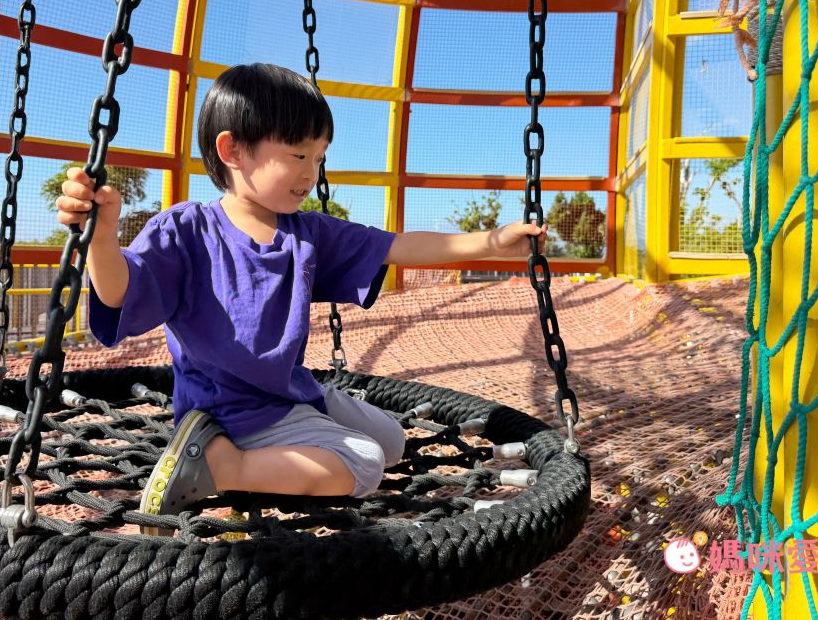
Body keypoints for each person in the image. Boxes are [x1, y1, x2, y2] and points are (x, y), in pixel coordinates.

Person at [55, 63, 547, 535]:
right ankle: (224, 465)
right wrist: (100, 239)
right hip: (228, 412)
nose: (311, 173)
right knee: (365, 462)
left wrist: (490, 242)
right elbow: (120, 290)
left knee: (393, 441)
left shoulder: (306, 233)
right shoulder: (186, 231)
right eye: (298, 155)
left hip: (288, 390)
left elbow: (398, 246)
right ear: (233, 150)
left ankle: (294, 433)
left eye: (319, 158)